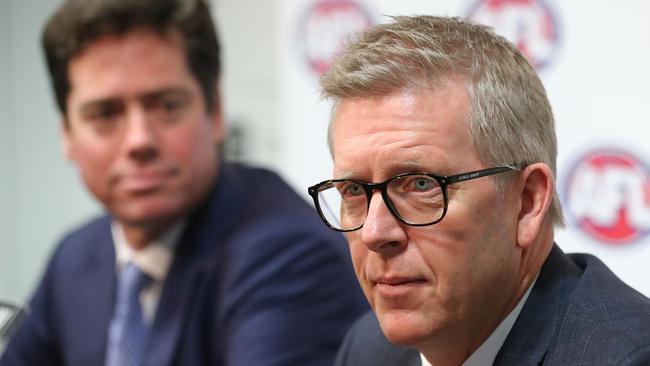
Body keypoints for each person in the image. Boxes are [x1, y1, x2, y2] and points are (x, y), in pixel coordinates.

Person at [0, 0, 368, 365]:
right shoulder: (77, 257)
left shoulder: (289, 255)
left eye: (166, 105)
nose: (138, 140)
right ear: (66, 134)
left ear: (216, 111)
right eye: (106, 113)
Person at [307, 15, 650, 366]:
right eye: (353, 190)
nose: (374, 232)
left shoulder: (627, 357)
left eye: (421, 185)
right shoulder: (369, 348)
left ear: (527, 203)